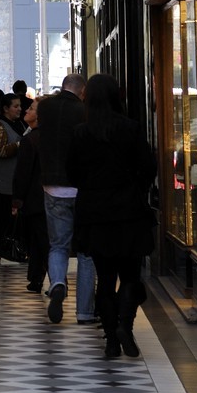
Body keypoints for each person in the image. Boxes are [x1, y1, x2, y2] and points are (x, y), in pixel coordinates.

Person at [66, 74, 157, 359]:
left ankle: (110, 341)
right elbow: (148, 166)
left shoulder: (81, 133)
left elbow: (71, 173)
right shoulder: (130, 129)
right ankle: (124, 327)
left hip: (95, 215)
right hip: (128, 213)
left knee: (104, 279)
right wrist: (136, 189)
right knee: (130, 275)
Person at [34, 72, 97, 325]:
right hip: (80, 188)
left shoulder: (46, 107)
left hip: (51, 185)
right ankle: (84, 311)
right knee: (85, 251)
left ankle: (58, 283)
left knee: (58, 244)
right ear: (82, 91)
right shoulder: (84, 111)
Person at [11, 95, 50, 293]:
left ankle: (54, 278)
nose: (27, 111)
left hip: (33, 199)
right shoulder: (52, 137)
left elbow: (22, 173)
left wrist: (17, 201)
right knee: (40, 239)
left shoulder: (30, 140)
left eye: (32, 109)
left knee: (39, 240)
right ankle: (35, 278)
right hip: (50, 196)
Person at [0, 92, 24, 262]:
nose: (19, 109)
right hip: (0, 182)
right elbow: (0, 150)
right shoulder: (0, 125)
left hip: (14, 180)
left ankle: (11, 250)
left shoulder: (19, 125)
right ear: (5, 108)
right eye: (15, 106)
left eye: (20, 106)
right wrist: (19, 145)